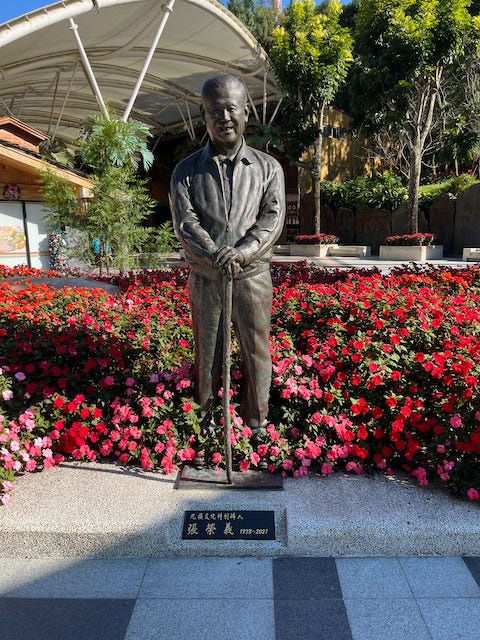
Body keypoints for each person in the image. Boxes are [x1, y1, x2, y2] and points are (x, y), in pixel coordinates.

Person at [170, 73, 285, 442]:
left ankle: (257, 424)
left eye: (231, 109)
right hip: (207, 278)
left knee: (256, 352)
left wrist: (244, 250)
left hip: (252, 277)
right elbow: (185, 223)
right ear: (204, 115)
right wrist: (215, 253)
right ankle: (206, 424)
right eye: (214, 111)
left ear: (245, 112)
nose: (224, 117)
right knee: (207, 354)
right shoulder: (185, 172)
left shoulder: (268, 168)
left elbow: (272, 217)